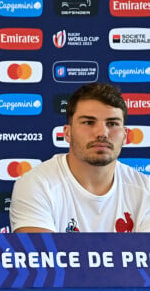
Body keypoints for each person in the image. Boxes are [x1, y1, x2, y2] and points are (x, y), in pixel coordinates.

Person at [10, 82, 150, 233]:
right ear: (67, 133)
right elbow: (41, 254)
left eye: (112, 123)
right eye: (88, 122)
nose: (102, 133)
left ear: (125, 136)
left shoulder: (145, 190)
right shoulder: (37, 185)